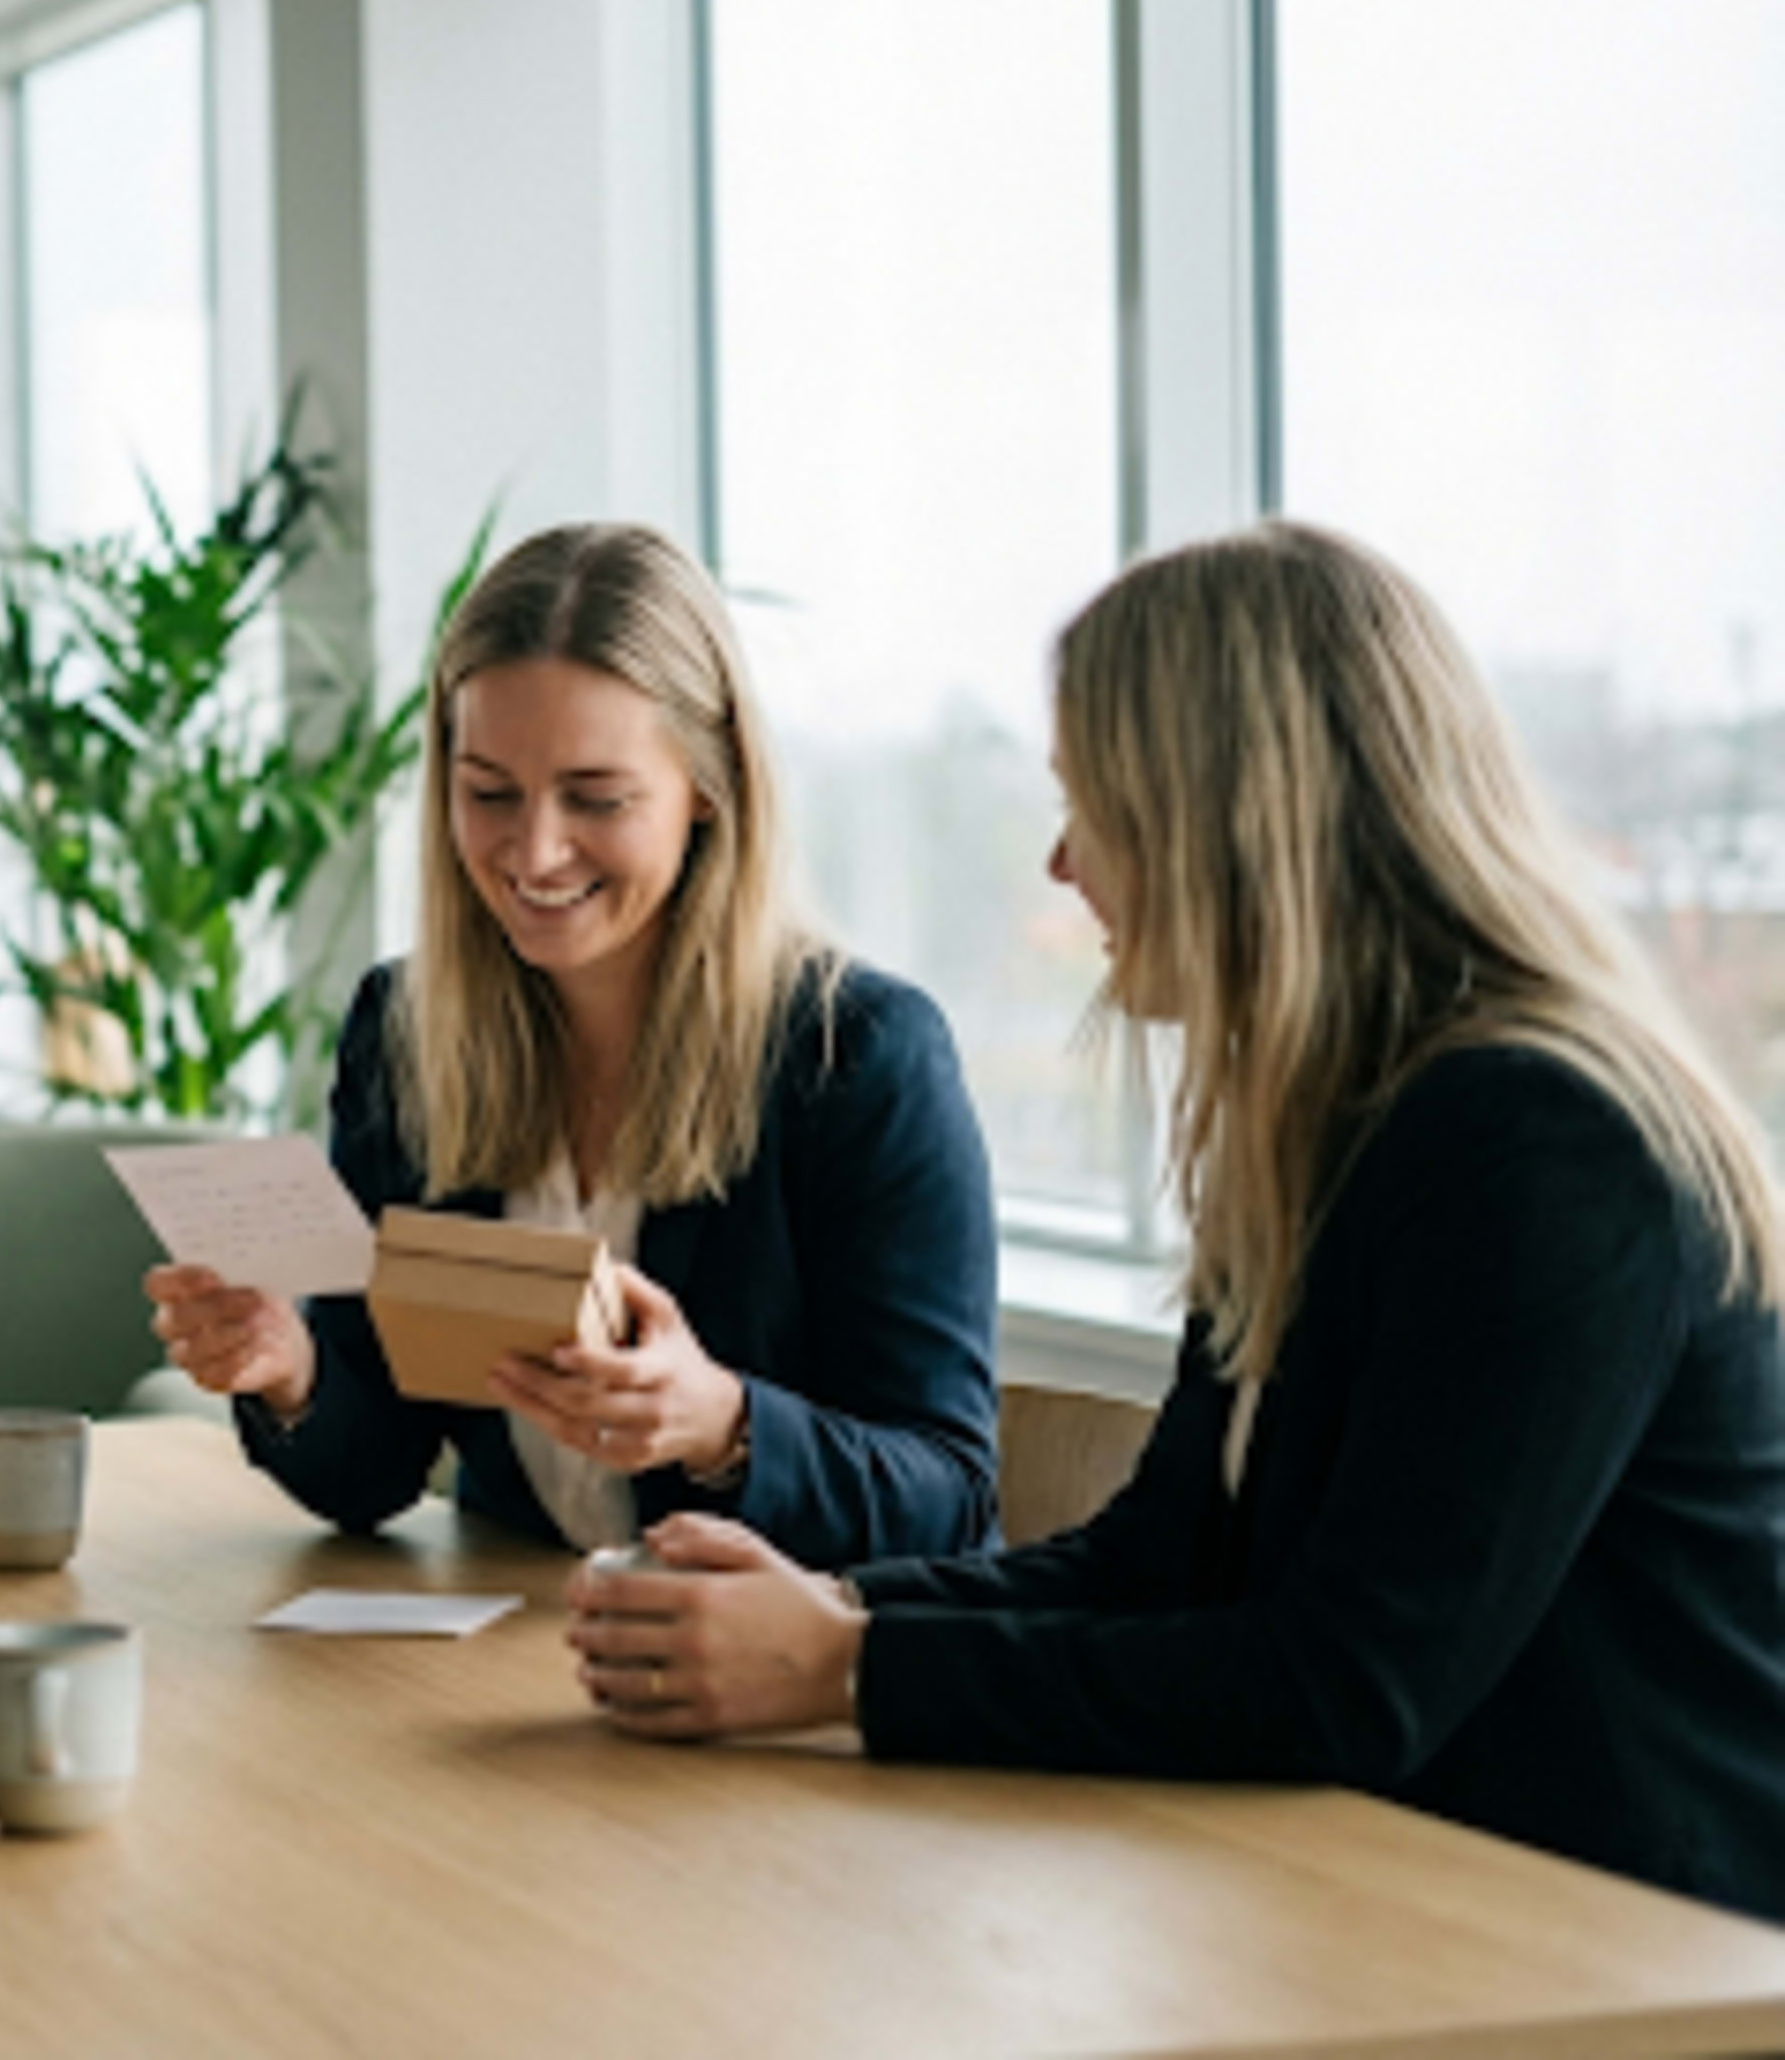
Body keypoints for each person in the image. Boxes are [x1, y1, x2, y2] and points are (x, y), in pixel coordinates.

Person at [563, 523, 1785, 1922]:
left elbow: (1342, 1687)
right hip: (1409, 1907)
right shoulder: (1337, 1122)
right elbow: (1159, 1562)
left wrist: (845, 1670)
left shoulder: (1545, 1145)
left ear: (1228, 821)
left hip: (1635, 1958)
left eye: (1098, 805)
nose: (1062, 862)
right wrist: (837, 1606)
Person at [146, 522, 1001, 1570]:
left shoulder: (861, 1058)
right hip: (529, 1662)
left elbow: (950, 1500)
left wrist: (724, 1425)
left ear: (709, 789)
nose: (535, 851)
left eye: (597, 798)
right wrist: (293, 1372)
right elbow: (374, 1471)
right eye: (489, 793)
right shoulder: (409, 1033)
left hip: (780, 1694)